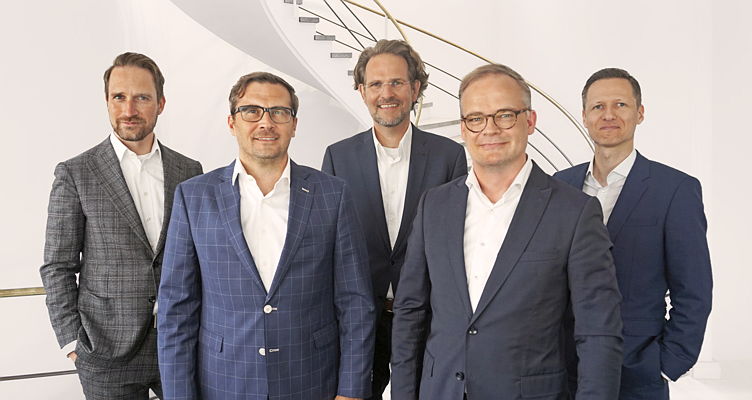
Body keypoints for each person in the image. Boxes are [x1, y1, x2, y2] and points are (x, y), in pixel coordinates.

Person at [390, 64, 623, 400]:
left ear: (530, 121)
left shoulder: (575, 212)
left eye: (505, 115)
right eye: (476, 118)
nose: (490, 128)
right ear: (464, 128)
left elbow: (598, 331)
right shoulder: (434, 206)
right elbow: (410, 312)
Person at [158, 71, 376, 400]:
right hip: (224, 382)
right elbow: (177, 309)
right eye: (251, 111)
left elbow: (355, 302)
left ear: (294, 124)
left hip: (311, 380)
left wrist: (352, 390)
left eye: (279, 112)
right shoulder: (194, 197)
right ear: (232, 122)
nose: (266, 122)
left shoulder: (332, 194)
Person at [39, 52, 203, 399]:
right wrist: (73, 343)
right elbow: (58, 265)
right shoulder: (76, 173)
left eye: (141, 97)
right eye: (119, 97)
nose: (129, 109)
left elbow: (199, 259)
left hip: (180, 343)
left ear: (160, 103)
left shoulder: (189, 171)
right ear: (107, 101)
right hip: (105, 351)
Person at [554, 67, 713, 400]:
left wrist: (668, 363)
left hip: (637, 371)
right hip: (563, 370)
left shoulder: (675, 190)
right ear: (584, 116)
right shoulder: (560, 185)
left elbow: (694, 289)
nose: (608, 115)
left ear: (640, 113)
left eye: (621, 105)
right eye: (598, 106)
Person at [321, 39, 466, 399]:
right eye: (375, 84)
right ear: (362, 91)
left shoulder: (450, 156)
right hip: (359, 323)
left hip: (427, 320)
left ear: (415, 89)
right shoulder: (338, 157)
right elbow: (329, 246)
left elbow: (456, 245)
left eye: (397, 82)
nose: (386, 93)